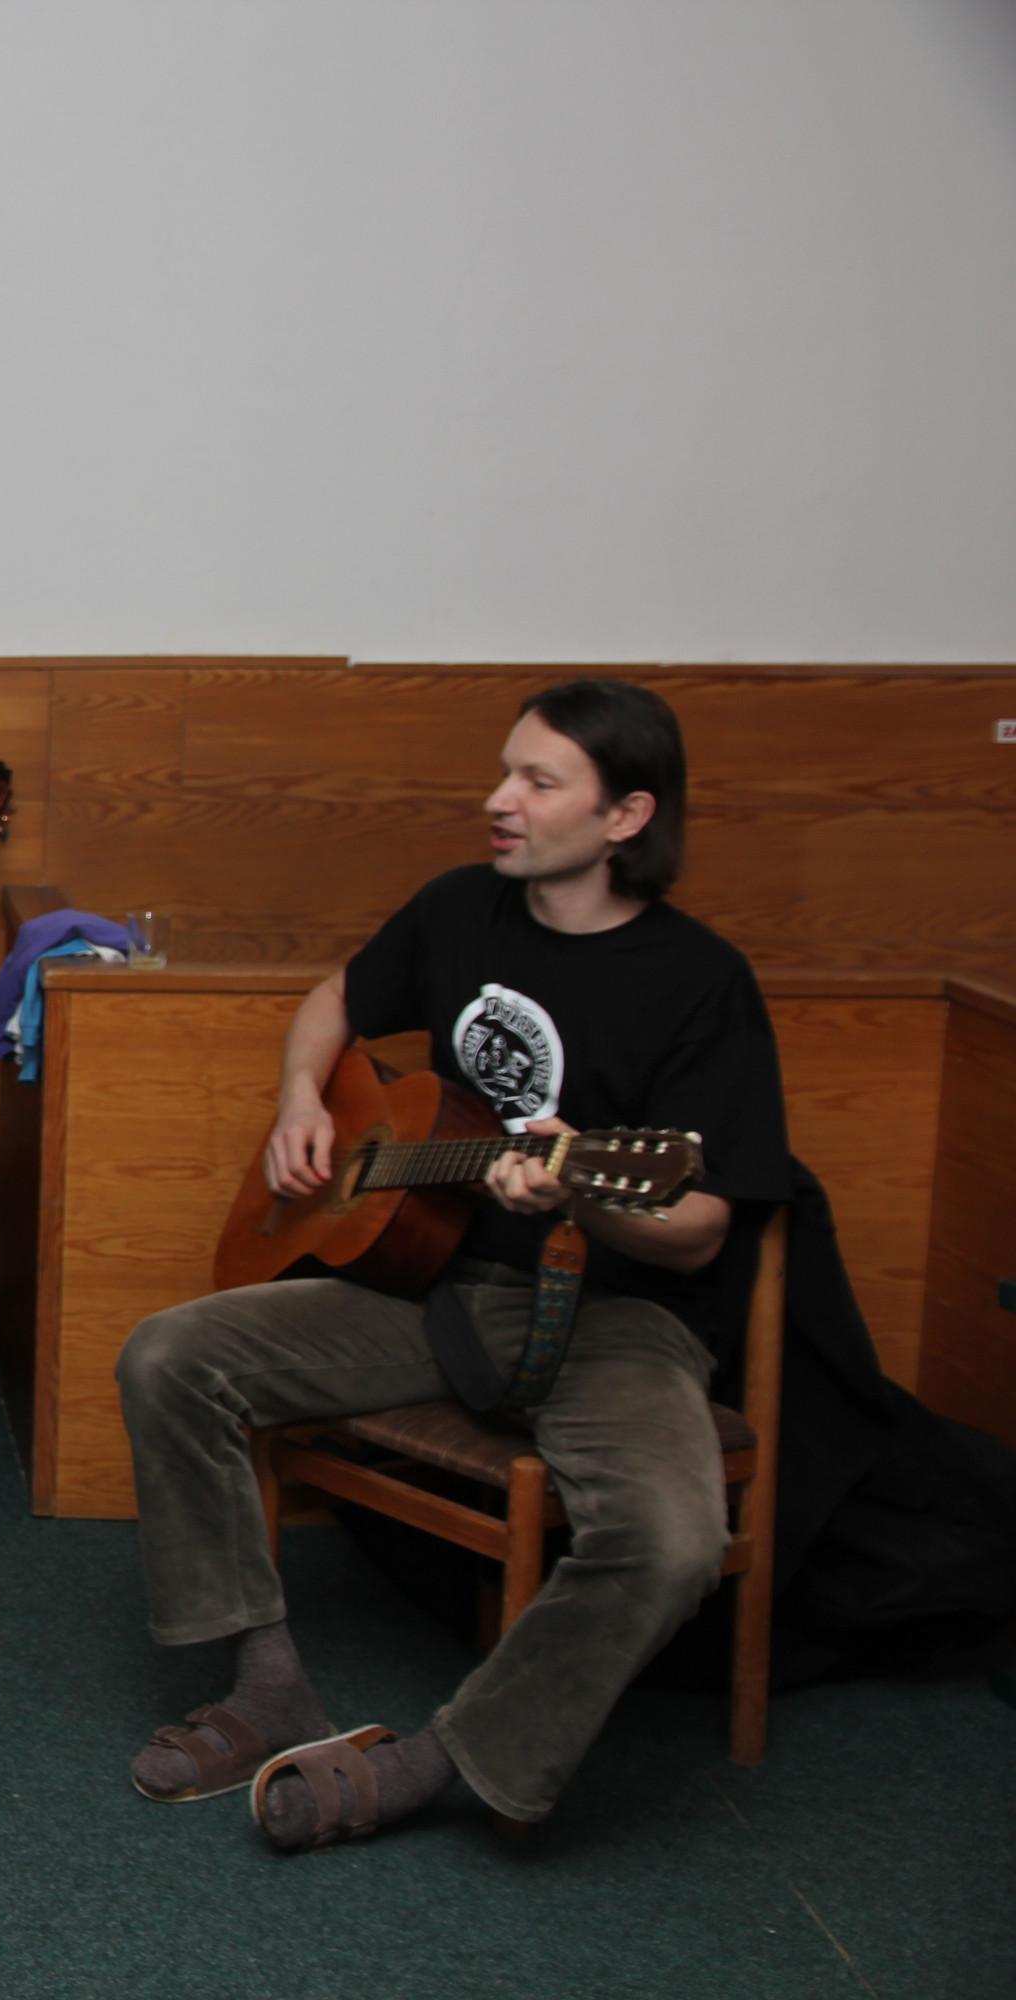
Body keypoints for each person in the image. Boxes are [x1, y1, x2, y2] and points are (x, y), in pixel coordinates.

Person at [113, 678, 787, 1848]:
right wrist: (299, 1098)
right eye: (504, 770)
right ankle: (269, 1684)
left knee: (671, 1538)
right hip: (432, 1288)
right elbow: (338, 993)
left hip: (618, 1319)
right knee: (171, 1354)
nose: (499, 798)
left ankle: (439, 1761)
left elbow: (701, 1226)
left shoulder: (700, 982)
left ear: (626, 816)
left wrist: (588, 1193)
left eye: (537, 780)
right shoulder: (458, 908)